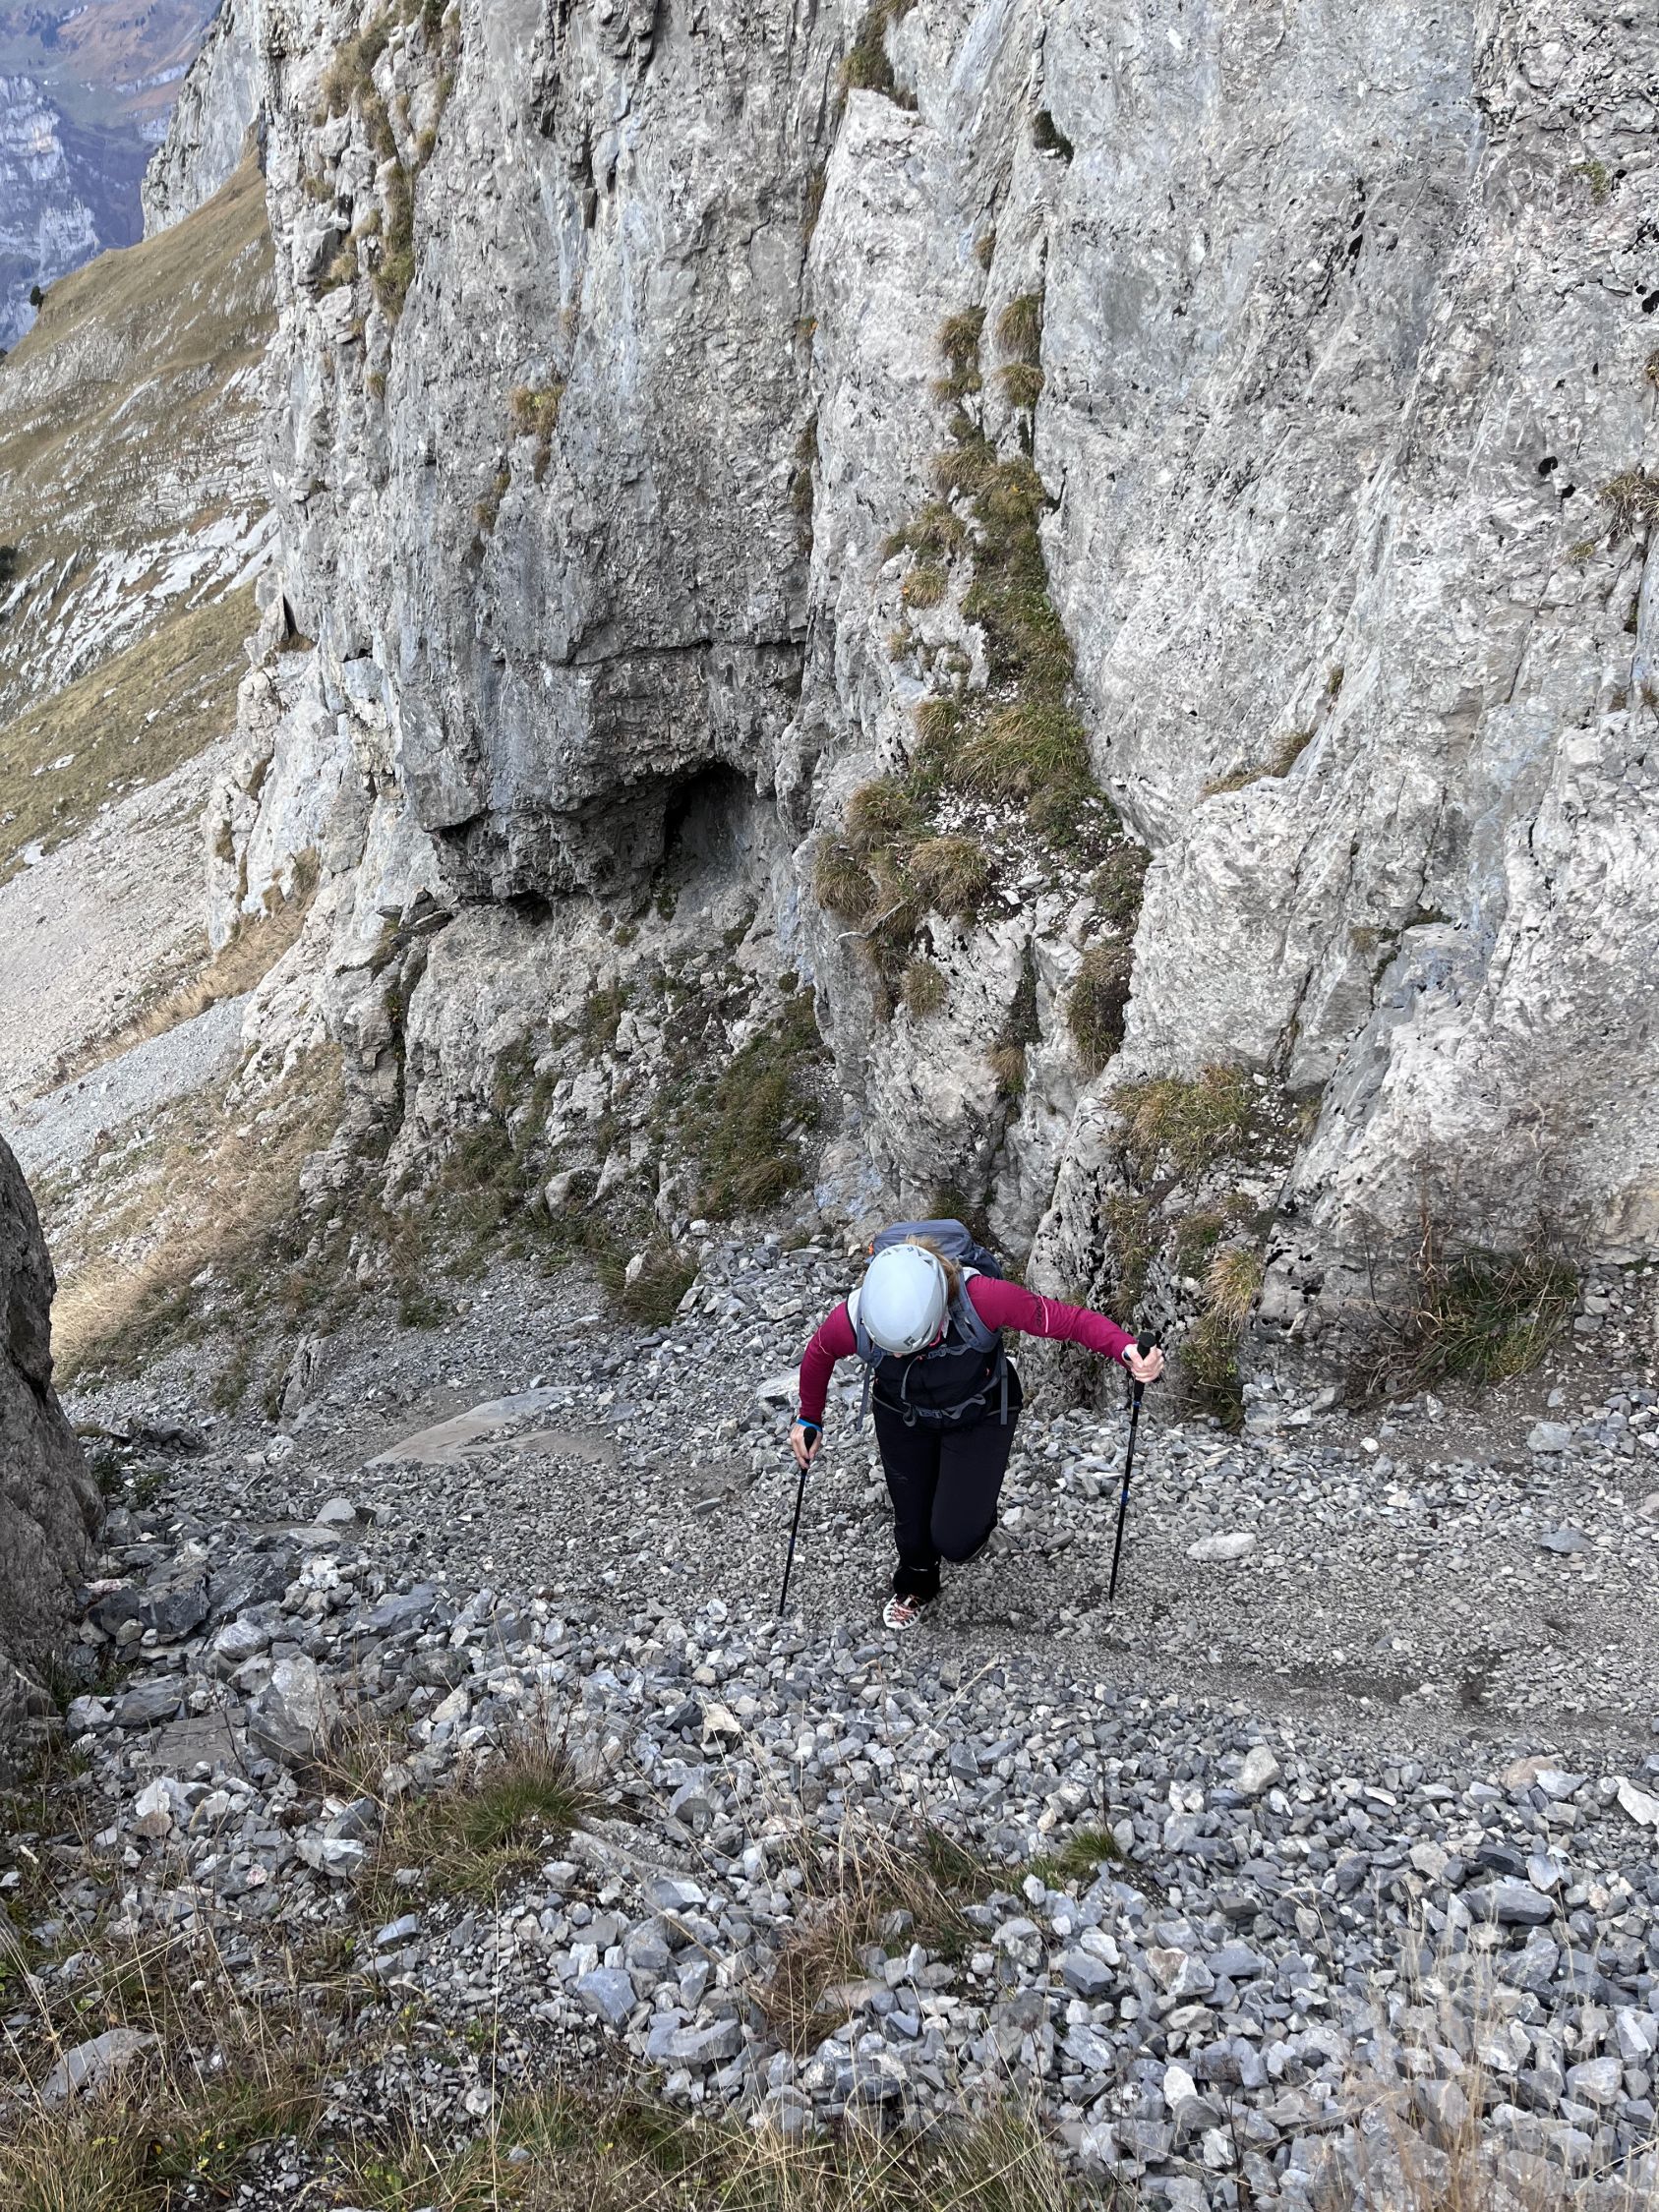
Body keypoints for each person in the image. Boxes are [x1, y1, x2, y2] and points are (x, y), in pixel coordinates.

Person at [791, 1235, 1164, 1629]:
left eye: (906, 1348)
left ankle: (971, 1515)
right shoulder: (855, 1317)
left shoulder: (983, 1299)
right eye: (888, 1346)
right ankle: (916, 1583)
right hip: (903, 1415)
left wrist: (1125, 1350)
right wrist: (809, 1419)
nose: (895, 1355)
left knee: (957, 1539)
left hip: (980, 1413)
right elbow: (819, 1352)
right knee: (911, 1518)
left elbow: (1066, 1320)